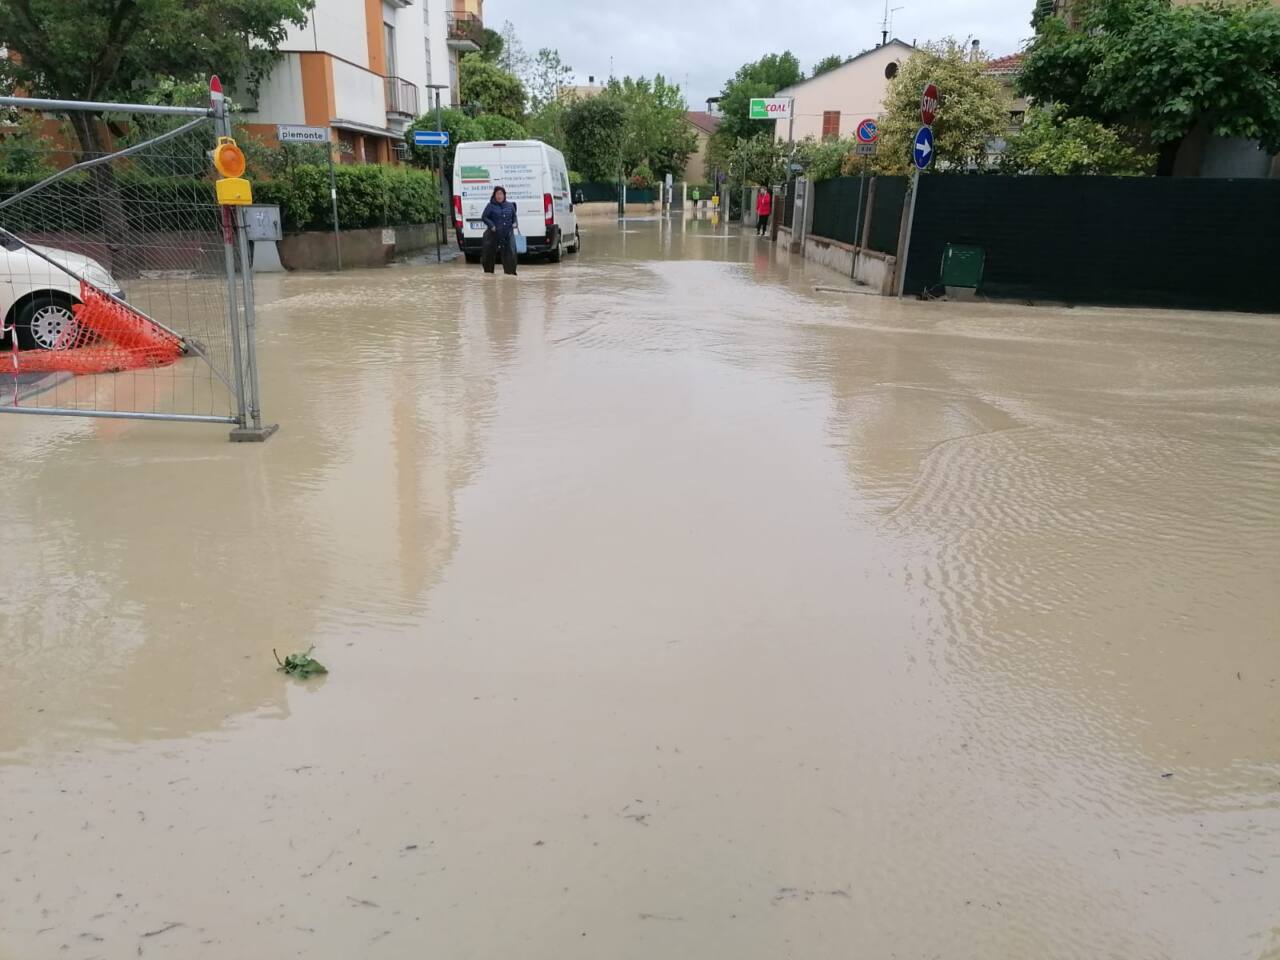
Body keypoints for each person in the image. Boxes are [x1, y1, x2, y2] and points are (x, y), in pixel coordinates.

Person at [480, 186, 519, 275]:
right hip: (493, 234)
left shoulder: (510, 205)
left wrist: (515, 223)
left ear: (504, 195)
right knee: (488, 256)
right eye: (497, 194)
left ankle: (510, 274)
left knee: (511, 255)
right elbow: (484, 217)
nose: (499, 196)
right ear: (494, 195)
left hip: (507, 234)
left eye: (501, 194)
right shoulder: (490, 206)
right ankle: (489, 276)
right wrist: (491, 225)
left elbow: (514, 217)